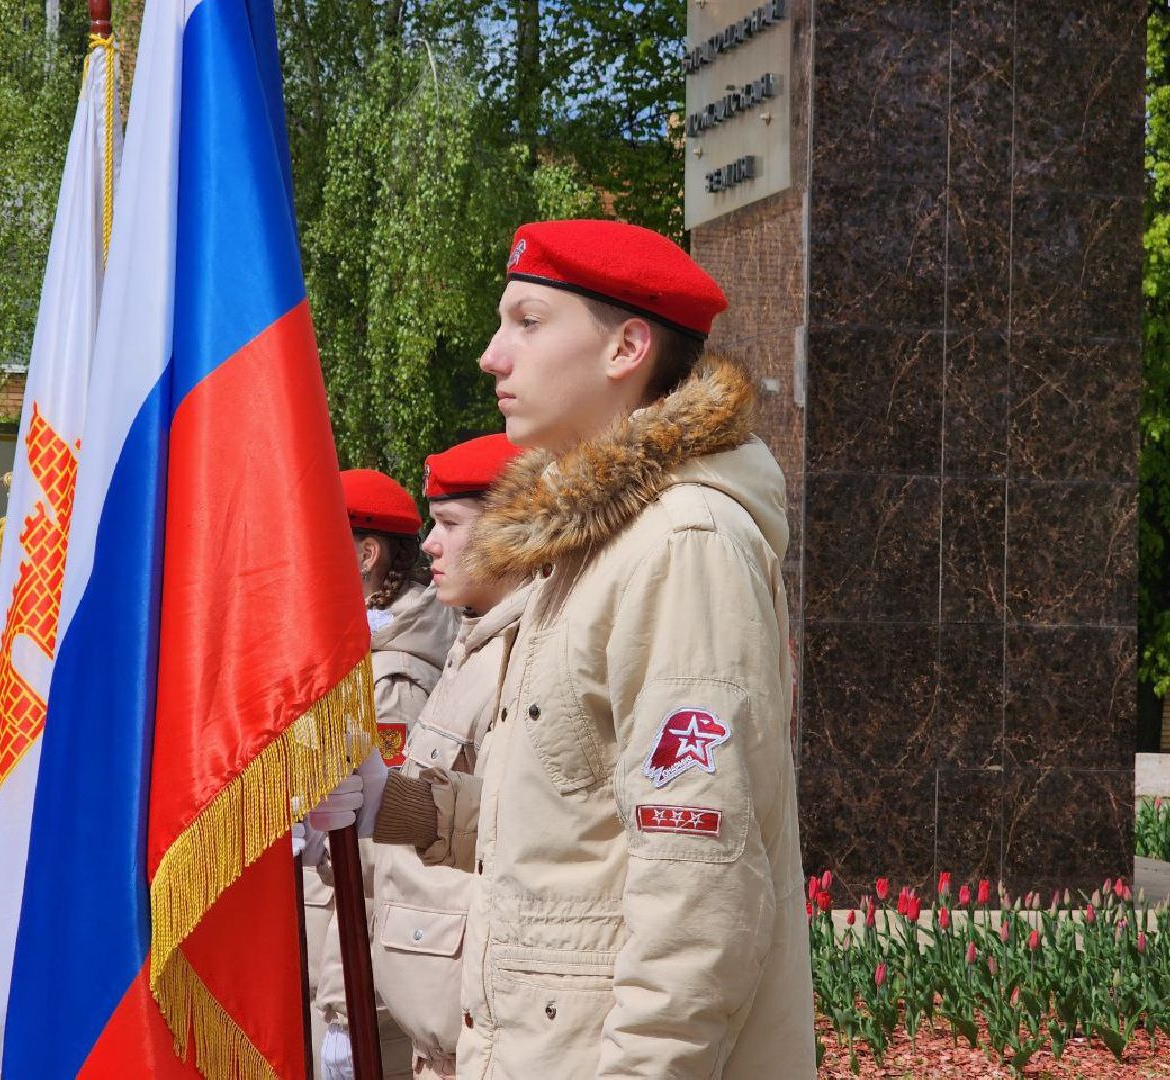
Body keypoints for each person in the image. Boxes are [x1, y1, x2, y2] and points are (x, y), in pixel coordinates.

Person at [373, 219, 815, 1077]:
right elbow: (574, 830)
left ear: (627, 348)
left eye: (528, 322)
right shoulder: (592, 549)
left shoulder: (681, 544)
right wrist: (386, 803)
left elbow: (700, 880)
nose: (492, 356)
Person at [357, 433, 528, 1080]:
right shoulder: (469, 652)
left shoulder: (515, 659)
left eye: (450, 523)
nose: (430, 542)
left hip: (466, 1022)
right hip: (435, 1020)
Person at [302, 468, 455, 1079]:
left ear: (365, 555)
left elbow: (373, 853)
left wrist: (342, 1007)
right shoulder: (355, 659)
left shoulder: (390, 682)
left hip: (357, 975)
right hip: (329, 951)